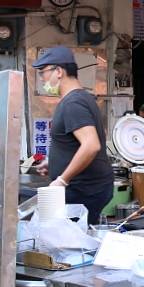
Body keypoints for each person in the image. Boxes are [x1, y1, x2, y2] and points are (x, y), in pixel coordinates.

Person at [32, 46, 115, 226]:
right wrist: (53, 163)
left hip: (84, 190)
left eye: (43, 72)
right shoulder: (80, 98)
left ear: (59, 71)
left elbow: (91, 145)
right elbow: (76, 144)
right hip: (86, 188)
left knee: (72, 247)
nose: (41, 78)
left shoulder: (74, 103)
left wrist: (62, 179)